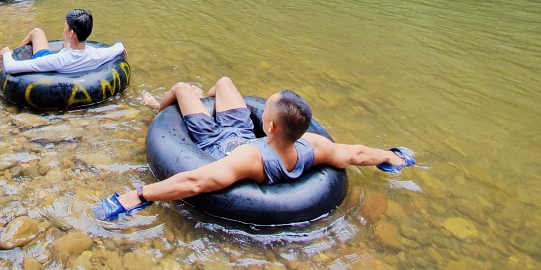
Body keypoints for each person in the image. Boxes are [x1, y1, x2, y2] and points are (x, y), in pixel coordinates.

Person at [93, 77, 416, 220]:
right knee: (223, 82)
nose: (262, 108)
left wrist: (138, 195)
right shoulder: (312, 145)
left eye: (268, 110)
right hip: (242, 131)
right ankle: (204, 98)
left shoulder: (251, 160)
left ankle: (158, 108)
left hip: (214, 141)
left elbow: (196, 182)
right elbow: (357, 154)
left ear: (271, 126)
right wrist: (390, 157)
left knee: (179, 88)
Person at [0, 9, 125, 75]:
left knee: (36, 32)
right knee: (67, 46)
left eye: (65, 28)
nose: (63, 30)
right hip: (76, 56)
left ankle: (17, 51)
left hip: (55, 64)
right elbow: (119, 46)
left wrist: (7, 53)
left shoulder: (57, 60)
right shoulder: (97, 55)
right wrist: (121, 49)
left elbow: (10, 67)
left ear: (71, 34)